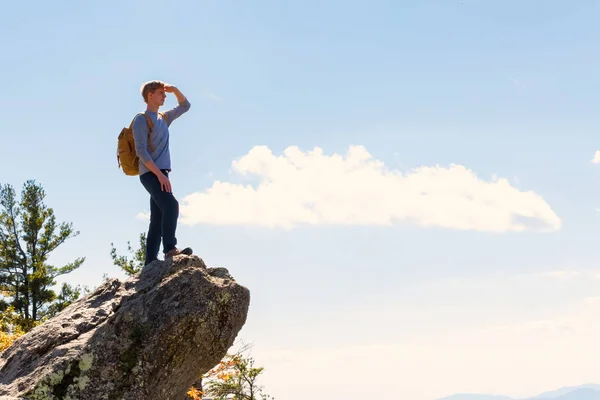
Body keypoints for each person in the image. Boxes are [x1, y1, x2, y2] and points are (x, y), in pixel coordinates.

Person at [132, 80, 193, 266]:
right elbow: (140, 150)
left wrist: (175, 90)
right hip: (150, 173)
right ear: (150, 95)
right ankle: (170, 249)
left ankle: (150, 261)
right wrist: (159, 175)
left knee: (157, 217)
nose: (164, 96)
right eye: (161, 93)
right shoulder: (141, 119)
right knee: (171, 205)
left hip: (162, 173)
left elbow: (185, 106)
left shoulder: (164, 118)